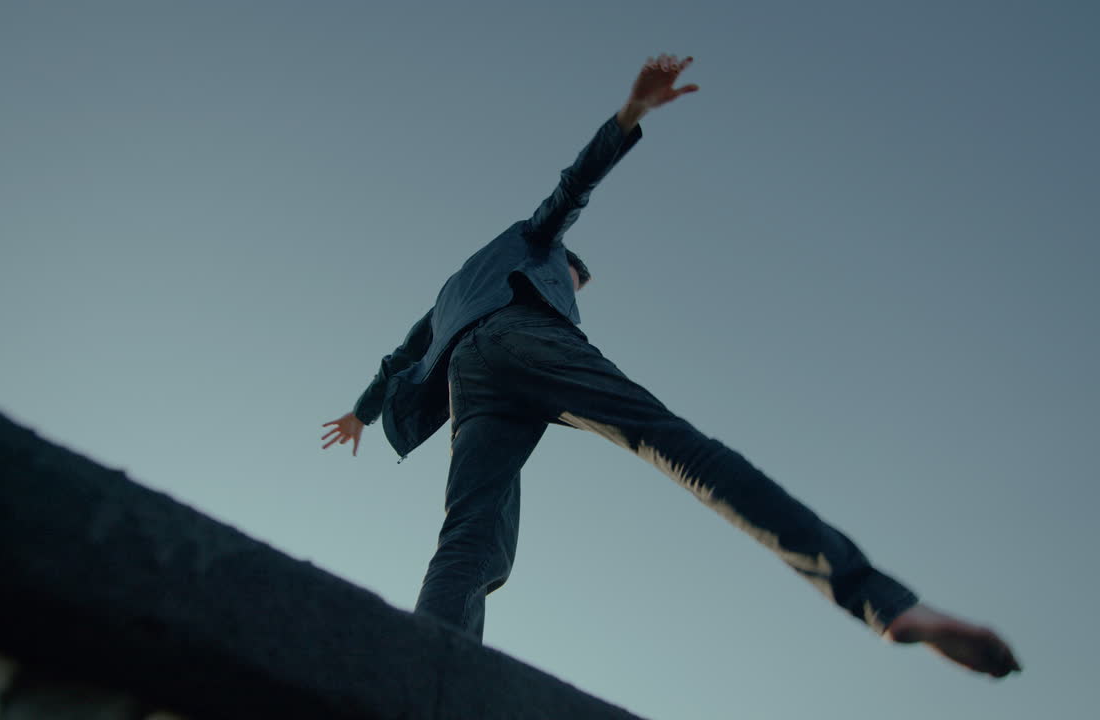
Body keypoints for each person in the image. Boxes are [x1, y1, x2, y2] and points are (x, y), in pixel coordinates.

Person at [322, 54, 1022, 679]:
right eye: (575, 283)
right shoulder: (532, 247)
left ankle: (423, 670)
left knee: (472, 539)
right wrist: (630, 114)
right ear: (559, 268)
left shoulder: (448, 292)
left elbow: (401, 357)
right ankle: (882, 602)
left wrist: (361, 412)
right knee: (678, 446)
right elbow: (569, 191)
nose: (574, 293)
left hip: (468, 379)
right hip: (522, 342)